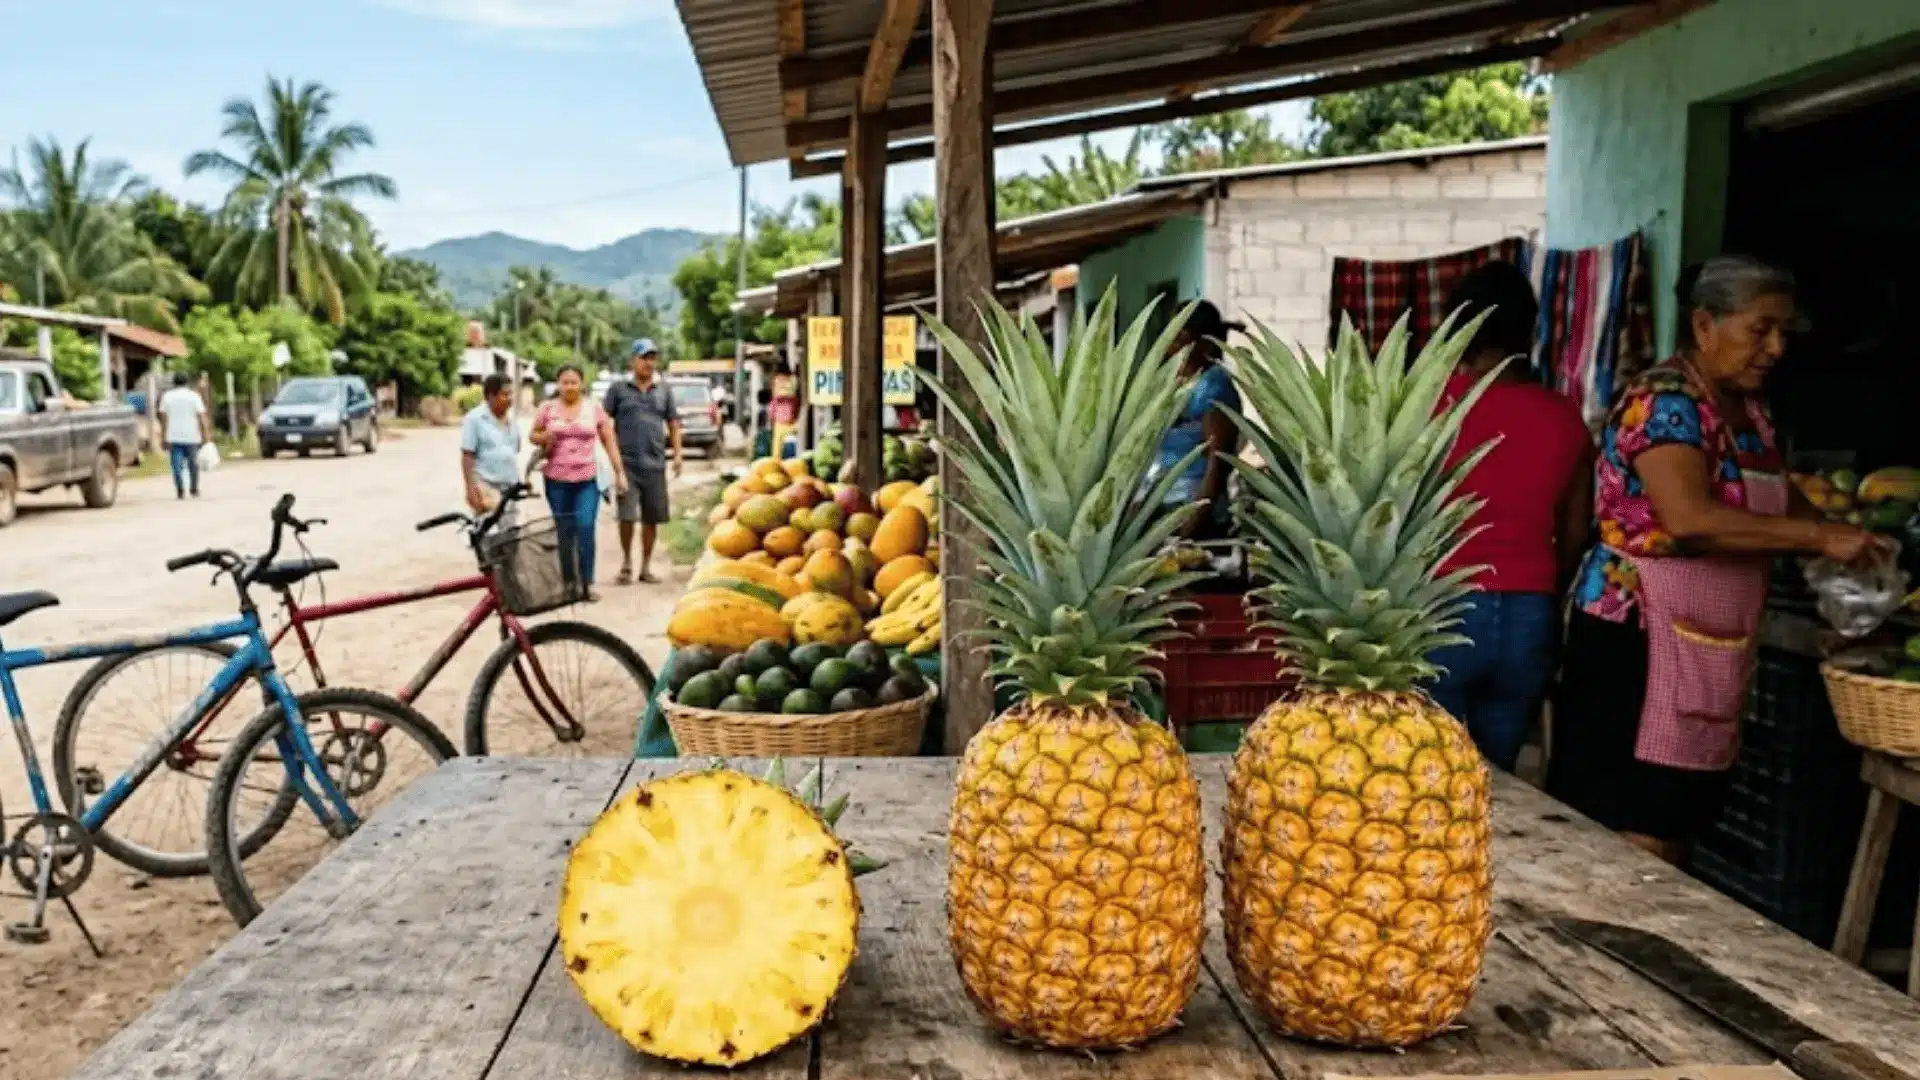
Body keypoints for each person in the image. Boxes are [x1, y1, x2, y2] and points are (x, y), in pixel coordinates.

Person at [1547, 255, 1880, 864]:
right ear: (1705, 326)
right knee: (1633, 813)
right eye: (1761, 329)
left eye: (1784, 331)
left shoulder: (1749, 410)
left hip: (1707, 640)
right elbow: (1690, 519)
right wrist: (1815, 540)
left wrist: (1834, 526)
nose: (1776, 347)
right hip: (1637, 636)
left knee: (1678, 807)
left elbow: (1776, 488)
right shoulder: (1665, 402)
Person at [1423, 261, 1594, 772]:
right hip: (1529, 616)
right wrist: (1542, 585)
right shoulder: (1564, 416)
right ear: (1529, 330)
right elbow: (1575, 533)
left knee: (1434, 782)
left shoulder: (1430, 407)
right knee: (1499, 784)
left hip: (1442, 607)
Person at [531, 364, 626, 601]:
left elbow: (609, 440)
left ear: (582, 384)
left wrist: (619, 472)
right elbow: (533, 434)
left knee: (585, 527)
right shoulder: (547, 408)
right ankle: (568, 583)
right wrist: (543, 437)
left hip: (587, 480)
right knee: (564, 531)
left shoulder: (594, 409)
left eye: (574, 382)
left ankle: (587, 582)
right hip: (556, 480)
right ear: (558, 384)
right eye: (565, 382)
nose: (570, 387)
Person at [1154, 300, 1242, 539]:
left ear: (1202, 343)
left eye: (1179, 336)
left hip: (1195, 513)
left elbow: (1217, 464)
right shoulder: (1170, 383)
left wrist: (1190, 529)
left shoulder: (1213, 386)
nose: (1170, 344)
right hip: (1163, 507)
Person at [603, 339, 683, 585]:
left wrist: (678, 454)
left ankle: (645, 567)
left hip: (655, 464)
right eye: (644, 357)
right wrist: (611, 459)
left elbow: (673, 423)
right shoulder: (618, 389)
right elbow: (605, 424)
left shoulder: (664, 390)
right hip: (626, 464)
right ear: (633, 361)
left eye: (652, 358)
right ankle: (627, 562)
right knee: (626, 516)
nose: (649, 363)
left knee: (652, 517)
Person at [460, 374, 521, 519]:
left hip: (510, 488)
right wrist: (471, 488)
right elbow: (467, 456)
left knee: (510, 537)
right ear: (490, 396)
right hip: (486, 486)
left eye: (511, 394)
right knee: (489, 537)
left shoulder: (512, 421)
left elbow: (514, 451)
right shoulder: (474, 419)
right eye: (505, 394)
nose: (510, 398)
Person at [158, 372, 210, 500]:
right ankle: (193, 488)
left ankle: (180, 489)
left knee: (176, 465)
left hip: (173, 436)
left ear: (174, 382)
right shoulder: (194, 396)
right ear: (187, 382)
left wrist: (163, 437)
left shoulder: (167, 397)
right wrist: (206, 435)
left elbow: (163, 419)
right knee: (193, 465)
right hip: (192, 436)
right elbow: (202, 417)